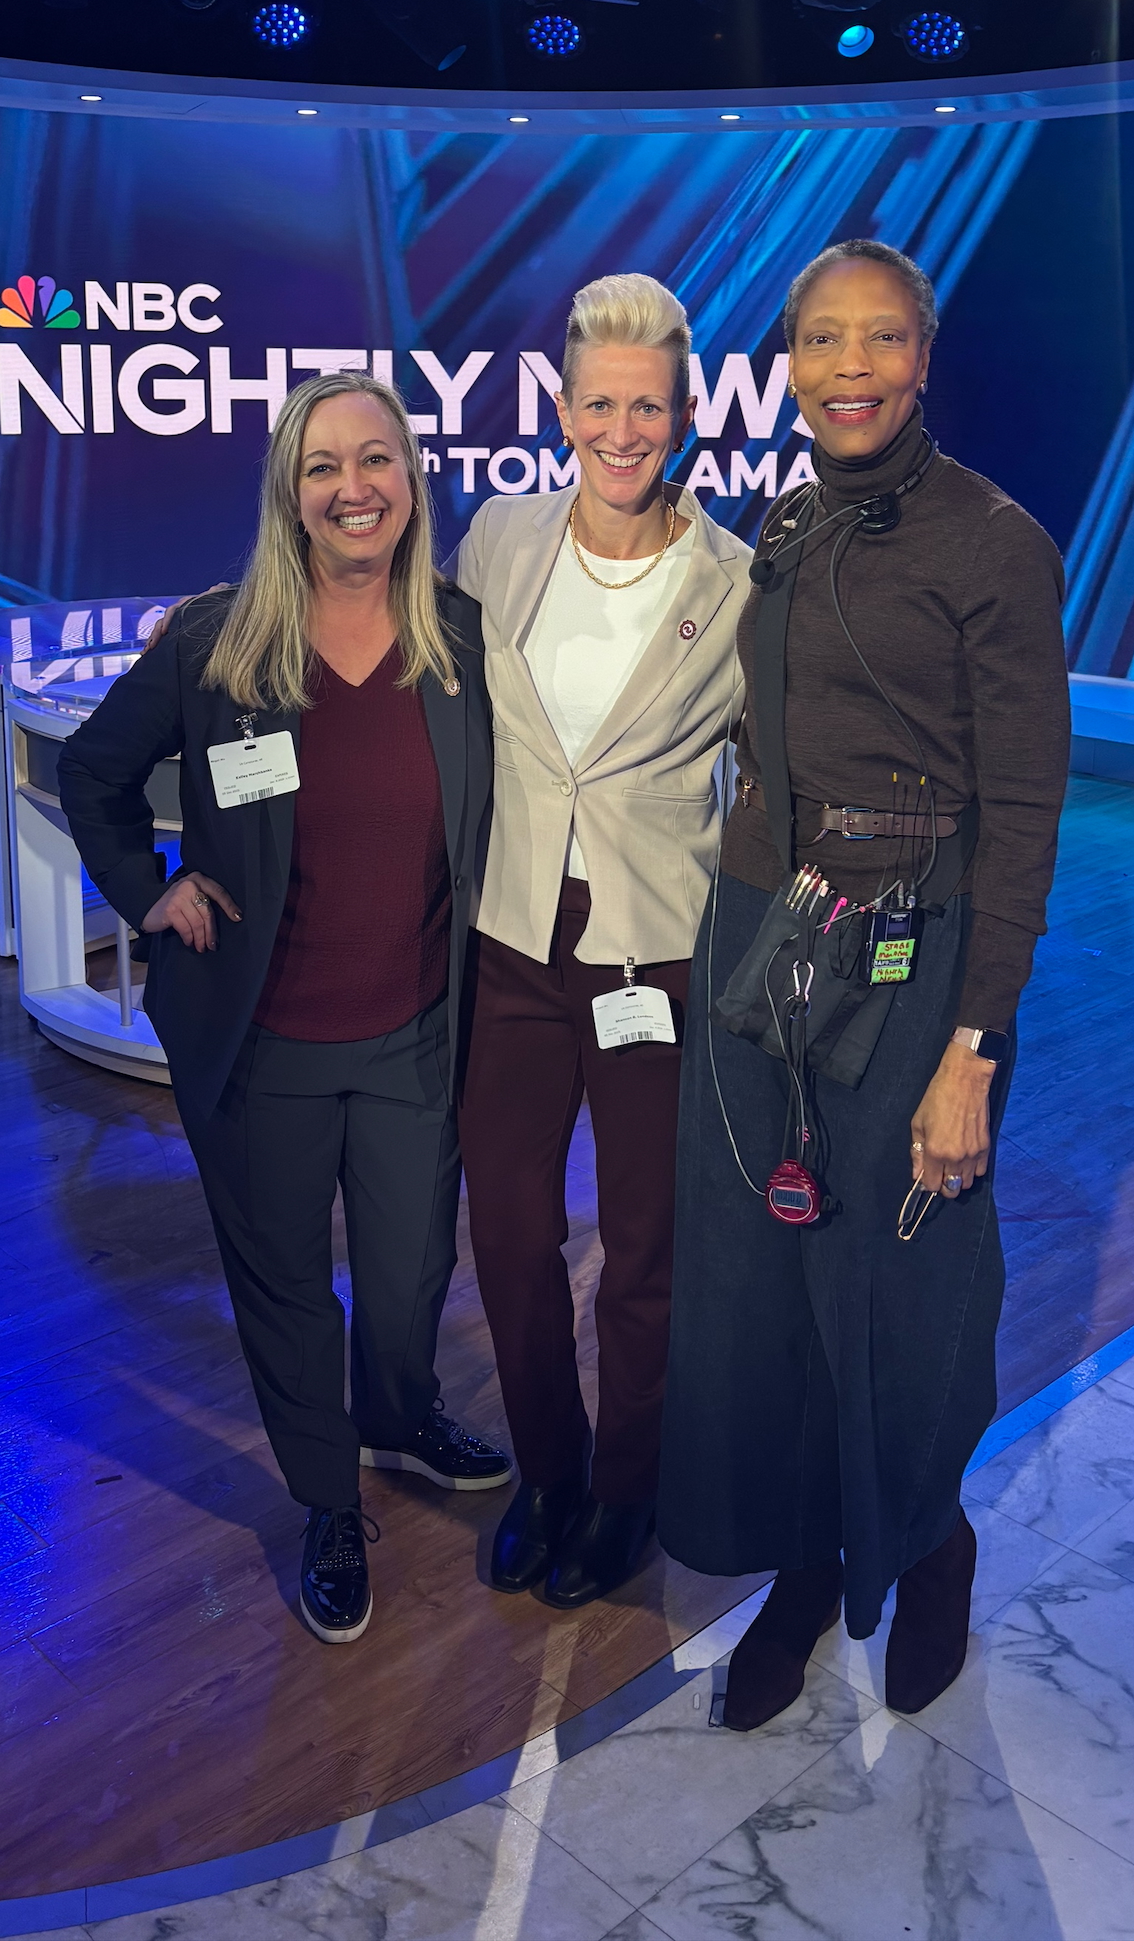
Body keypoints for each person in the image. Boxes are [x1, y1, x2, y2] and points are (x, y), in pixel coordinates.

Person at [658, 238, 1070, 1728]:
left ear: (923, 355)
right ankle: (812, 1563)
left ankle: (929, 1546)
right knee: (775, 1274)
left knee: (904, 1277)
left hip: (925, 958)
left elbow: (1023, 816)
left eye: (878, 339)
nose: (849, 368)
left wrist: (977, 1046)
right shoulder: (783, 525)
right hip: (773, 940)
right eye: (822, 340)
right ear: (788, 360)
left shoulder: (994, 543)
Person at [58, 372, 508, 1647]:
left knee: (415, 1266)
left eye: (377, 460)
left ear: (412, 478)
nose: (354, 487)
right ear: (289, 494)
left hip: (421, 1029)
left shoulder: (462, 638)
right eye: (324, 467)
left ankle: (401, 1413)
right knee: (288, 1285)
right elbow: (93, 769)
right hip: (264, 1040)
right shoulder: (218, 641)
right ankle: (325, 1501)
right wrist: (150, 890)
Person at [454, 275, 751, 1608]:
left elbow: (788, 776)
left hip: (659, 953)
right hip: (511, 938)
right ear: (560, 405)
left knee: (646, 1246)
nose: (622, 431)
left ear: (686, 413)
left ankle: (629, 1486)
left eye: (649, 406)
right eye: (599, 404)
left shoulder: (740, 581)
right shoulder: (497, 540)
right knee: (510, 1231)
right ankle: (551, 1471)